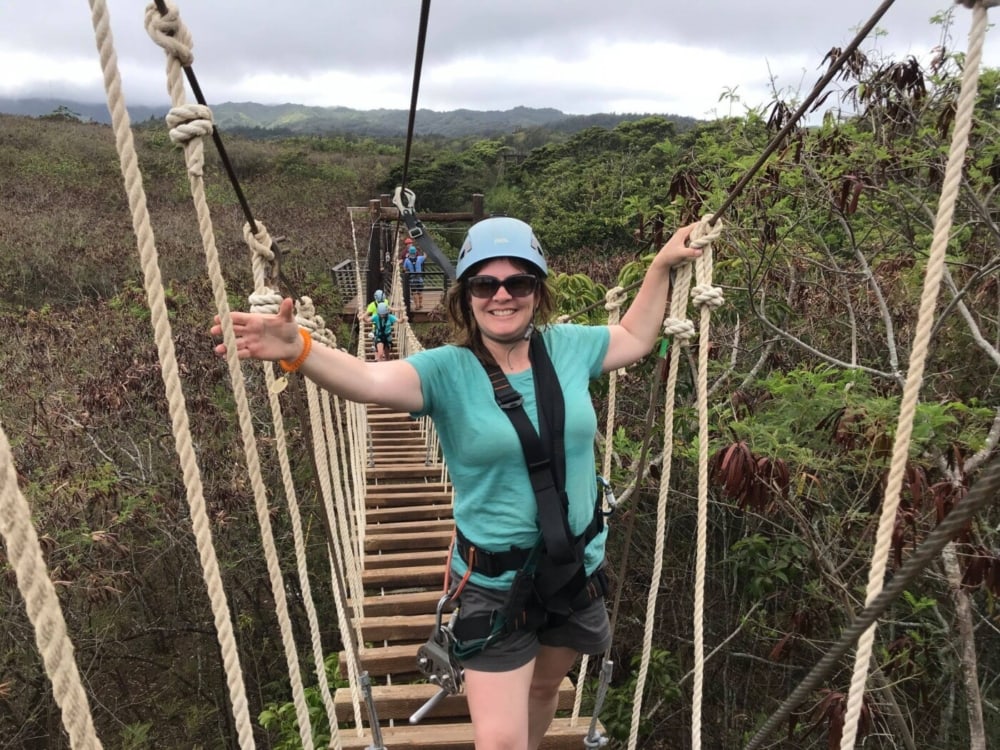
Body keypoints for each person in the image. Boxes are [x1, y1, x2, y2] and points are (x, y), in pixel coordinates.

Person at [211, 216, 701, 749]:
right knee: (500, 742)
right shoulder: (444, 371)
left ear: (538, 291)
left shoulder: (570, 347)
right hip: (493, 586)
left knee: (544, 692)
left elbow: (632, 336)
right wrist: (299, 348)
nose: (502, 296)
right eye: (485, 284)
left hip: (575, 569)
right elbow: (369, 381)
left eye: (519, 282)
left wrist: (660, 266)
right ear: (466, 296)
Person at [403, 243, 426, 310]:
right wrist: (424, 250)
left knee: (414, 293)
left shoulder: (407, 260)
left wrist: (408, 269)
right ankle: (421, 304)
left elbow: (404, 268)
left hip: (412, 279)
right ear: (415, 252)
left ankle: (417, 306)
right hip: (419, 278)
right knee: (420, 292)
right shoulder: (419, 258)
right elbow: (425, 256)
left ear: (409, 252)